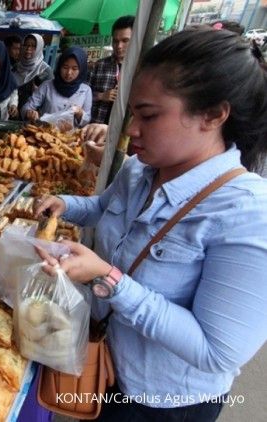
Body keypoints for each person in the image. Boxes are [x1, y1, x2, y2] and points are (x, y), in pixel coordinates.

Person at [34, 28, 267, 421]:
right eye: (132, 114)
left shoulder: (247, 214)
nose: (131, 131)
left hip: (163, 402)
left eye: (149, 115)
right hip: (108, 362)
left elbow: (216, 350)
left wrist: (109, 279)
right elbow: (103, 207)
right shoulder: (140, 169)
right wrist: (66, 205)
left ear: (212, 115)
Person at [22, 46, 91, 127]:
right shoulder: (47, 86)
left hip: (70, 138)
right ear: (59, 66)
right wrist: (29, 112)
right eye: (65, 67)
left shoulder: (86, 90)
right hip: (44, 135)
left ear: (81, 70)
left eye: (74, 69)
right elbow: (27, 107)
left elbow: (86, 120)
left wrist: (80, 113)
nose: (69, 72)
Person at [88, 15, 134, 124]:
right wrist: (100, 96)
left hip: (124, 133)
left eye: (125, 40)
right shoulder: (99, 65)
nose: (119, 46)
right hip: (96, 127)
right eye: (115, 41)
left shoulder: (140, 70)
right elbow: (82, 95)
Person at [15, 34, 52, 115]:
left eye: (33, 46)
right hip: (12, 115)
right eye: (26, 45)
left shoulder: (45, 70)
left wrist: (38, 92)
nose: (28, 49)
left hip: (33, 118)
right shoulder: (16, 67)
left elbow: (50, 98)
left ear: (39, 48)